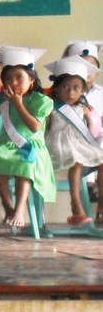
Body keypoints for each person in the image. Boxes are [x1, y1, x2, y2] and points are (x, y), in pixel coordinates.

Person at [0, 46, 55, 227]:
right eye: (7, 78)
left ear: (31, 80)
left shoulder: (41, 100)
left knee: (25, 161)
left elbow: (34, 127)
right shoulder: (3, 99)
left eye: (19, 78)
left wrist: (18, 104)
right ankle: (8, 205)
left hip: (31, 146)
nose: (13, 82)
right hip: (7, 144)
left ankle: (19, 209)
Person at [44, 56, 103, 225]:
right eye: (65, 87)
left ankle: (101, 205)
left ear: (83, 89)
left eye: (76, 88)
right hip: (56, 145)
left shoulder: (82, 108)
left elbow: (90, 129)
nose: (70, 93)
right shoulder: (49, 106)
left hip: (77, 144)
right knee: (76, 160)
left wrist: (87, 116)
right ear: (56, 88)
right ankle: (76, 206)